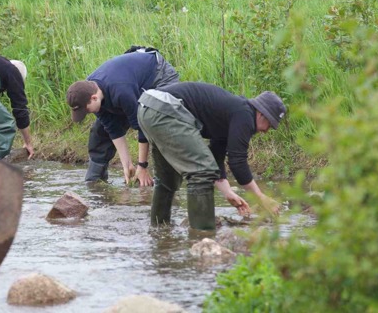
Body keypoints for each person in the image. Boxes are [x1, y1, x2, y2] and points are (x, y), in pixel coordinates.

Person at [136, 82, 285, 230]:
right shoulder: (245, 115)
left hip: (149, 105)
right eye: (270, 125)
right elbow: (237, 162)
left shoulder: (232, 114)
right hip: (165, 109)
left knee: (168, 177)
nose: (266, 131)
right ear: (261, 114)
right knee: (201, 172)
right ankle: (202, 235)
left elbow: (216, 157)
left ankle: (159, 229)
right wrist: (260, 197)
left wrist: (228, 192)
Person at [66, 47, 179, 186]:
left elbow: (142, 126)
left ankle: (166, 179)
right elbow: (112, 129)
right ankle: (95, 181)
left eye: (86, 110)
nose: (87, 113)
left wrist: (142, 166)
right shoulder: (89, 89)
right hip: (129, 82)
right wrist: (127, 165)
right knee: (100, 129)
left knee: (154, 118)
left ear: (94, 98)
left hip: (159, 75)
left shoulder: (121, 91)